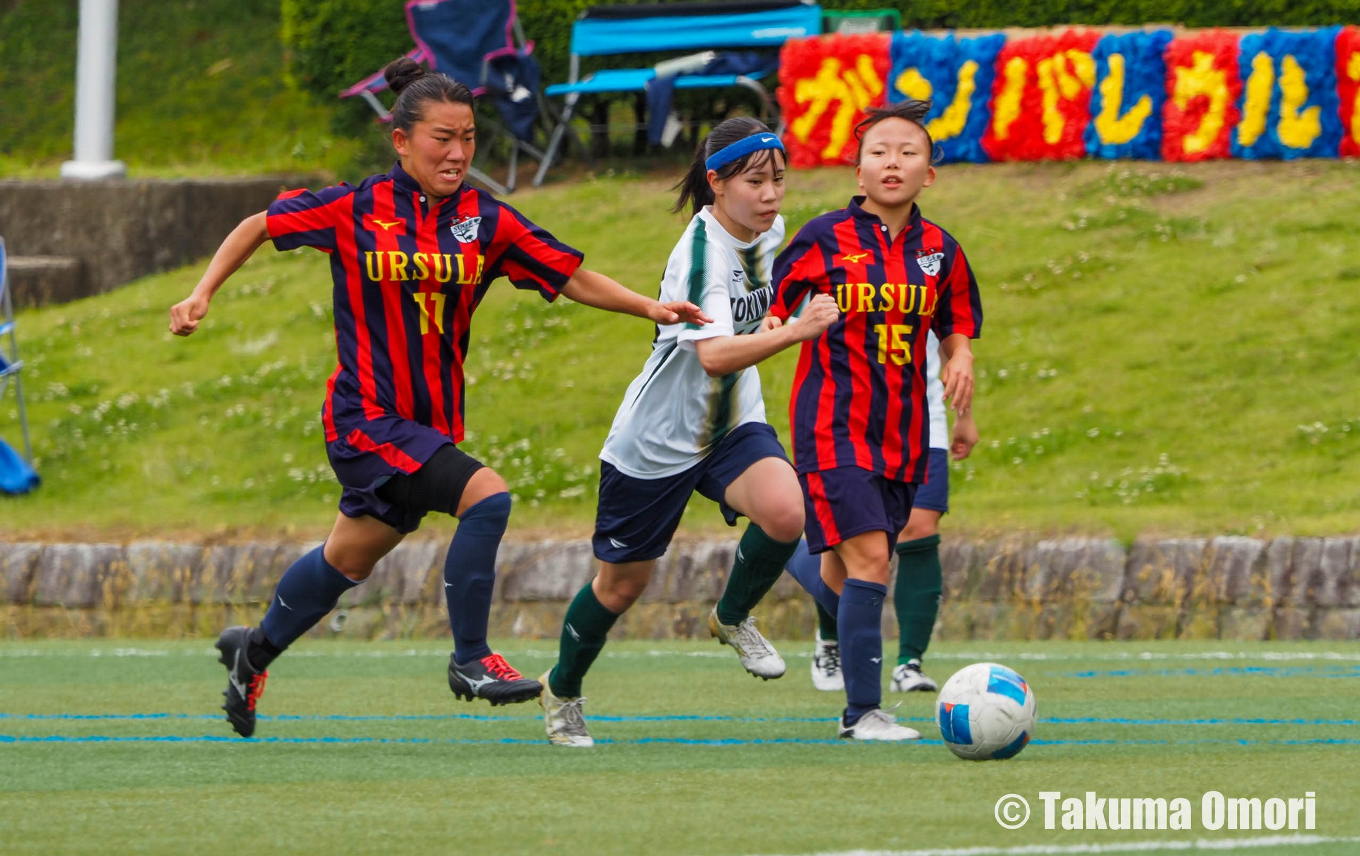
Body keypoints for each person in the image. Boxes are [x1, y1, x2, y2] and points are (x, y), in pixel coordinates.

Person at [169, 59, 707, 738]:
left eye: (469, 138)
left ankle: (255, 652)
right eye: (441, 139)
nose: (457, 153)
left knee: (349, 558)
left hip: (426, 427)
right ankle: (470, 658)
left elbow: (569, 275)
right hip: (365, 417)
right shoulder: (355, 206)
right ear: (401, 141)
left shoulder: (485, 221)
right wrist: (202, 292)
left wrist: (650, 308)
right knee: (489, 497)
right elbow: (259, 225)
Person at [536, 117, 840, 748]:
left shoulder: (767, 230)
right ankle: (562, 689)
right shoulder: (700, 253)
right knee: (620, 586)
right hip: (656, 443)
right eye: (755, 181)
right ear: (716, 183)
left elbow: (755, 303)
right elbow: (712, 356)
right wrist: (793, 332)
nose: (771, 195)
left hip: (729, 424)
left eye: (779, 180)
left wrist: (776, 313)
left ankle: (732, 617)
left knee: (787, 513)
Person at [771, 98, 982, 741]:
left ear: (930, 173)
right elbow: (771, 310)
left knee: (849, 566)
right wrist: (786, 325)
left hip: (905, 433)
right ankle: (862, 712)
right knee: (870, 560)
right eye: (879, 153)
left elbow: (956, 324)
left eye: (908, 152)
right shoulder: (821, 237)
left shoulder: (940, 250)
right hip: (832, 423)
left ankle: (796, 561)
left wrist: (962, 358)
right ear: (858, 171)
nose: (893, 162)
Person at [808, 329, 979, 693]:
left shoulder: (941, 268)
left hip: (920, 420)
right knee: (847, 540)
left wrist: (964, 413)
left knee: (920, 526)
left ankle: (909, 662)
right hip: (846, 422)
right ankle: (830, 637)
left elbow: (954, 335)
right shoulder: (837, 269)